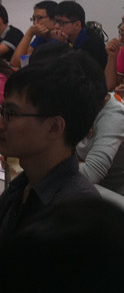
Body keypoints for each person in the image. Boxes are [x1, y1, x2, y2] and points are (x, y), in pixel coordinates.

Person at [32, 46, 124, 212]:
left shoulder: (114, 117)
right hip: (101, 199)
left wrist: (41, 166)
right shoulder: (82, 110)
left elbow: (91, 173)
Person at [0, 54, 101, 243]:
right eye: (2, 111)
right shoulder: (23, 186)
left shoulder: (75, 214)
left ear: (54, 127)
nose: (1, 124)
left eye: (10, 114)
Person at [9, 0, 57, 67]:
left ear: (54, 20)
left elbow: (18, 63)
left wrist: (29, 33)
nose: (35, 23)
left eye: (39, 18)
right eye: (34, 19)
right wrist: (29, 34)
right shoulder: (40, 37)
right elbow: (16, 63)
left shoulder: (60, 38)